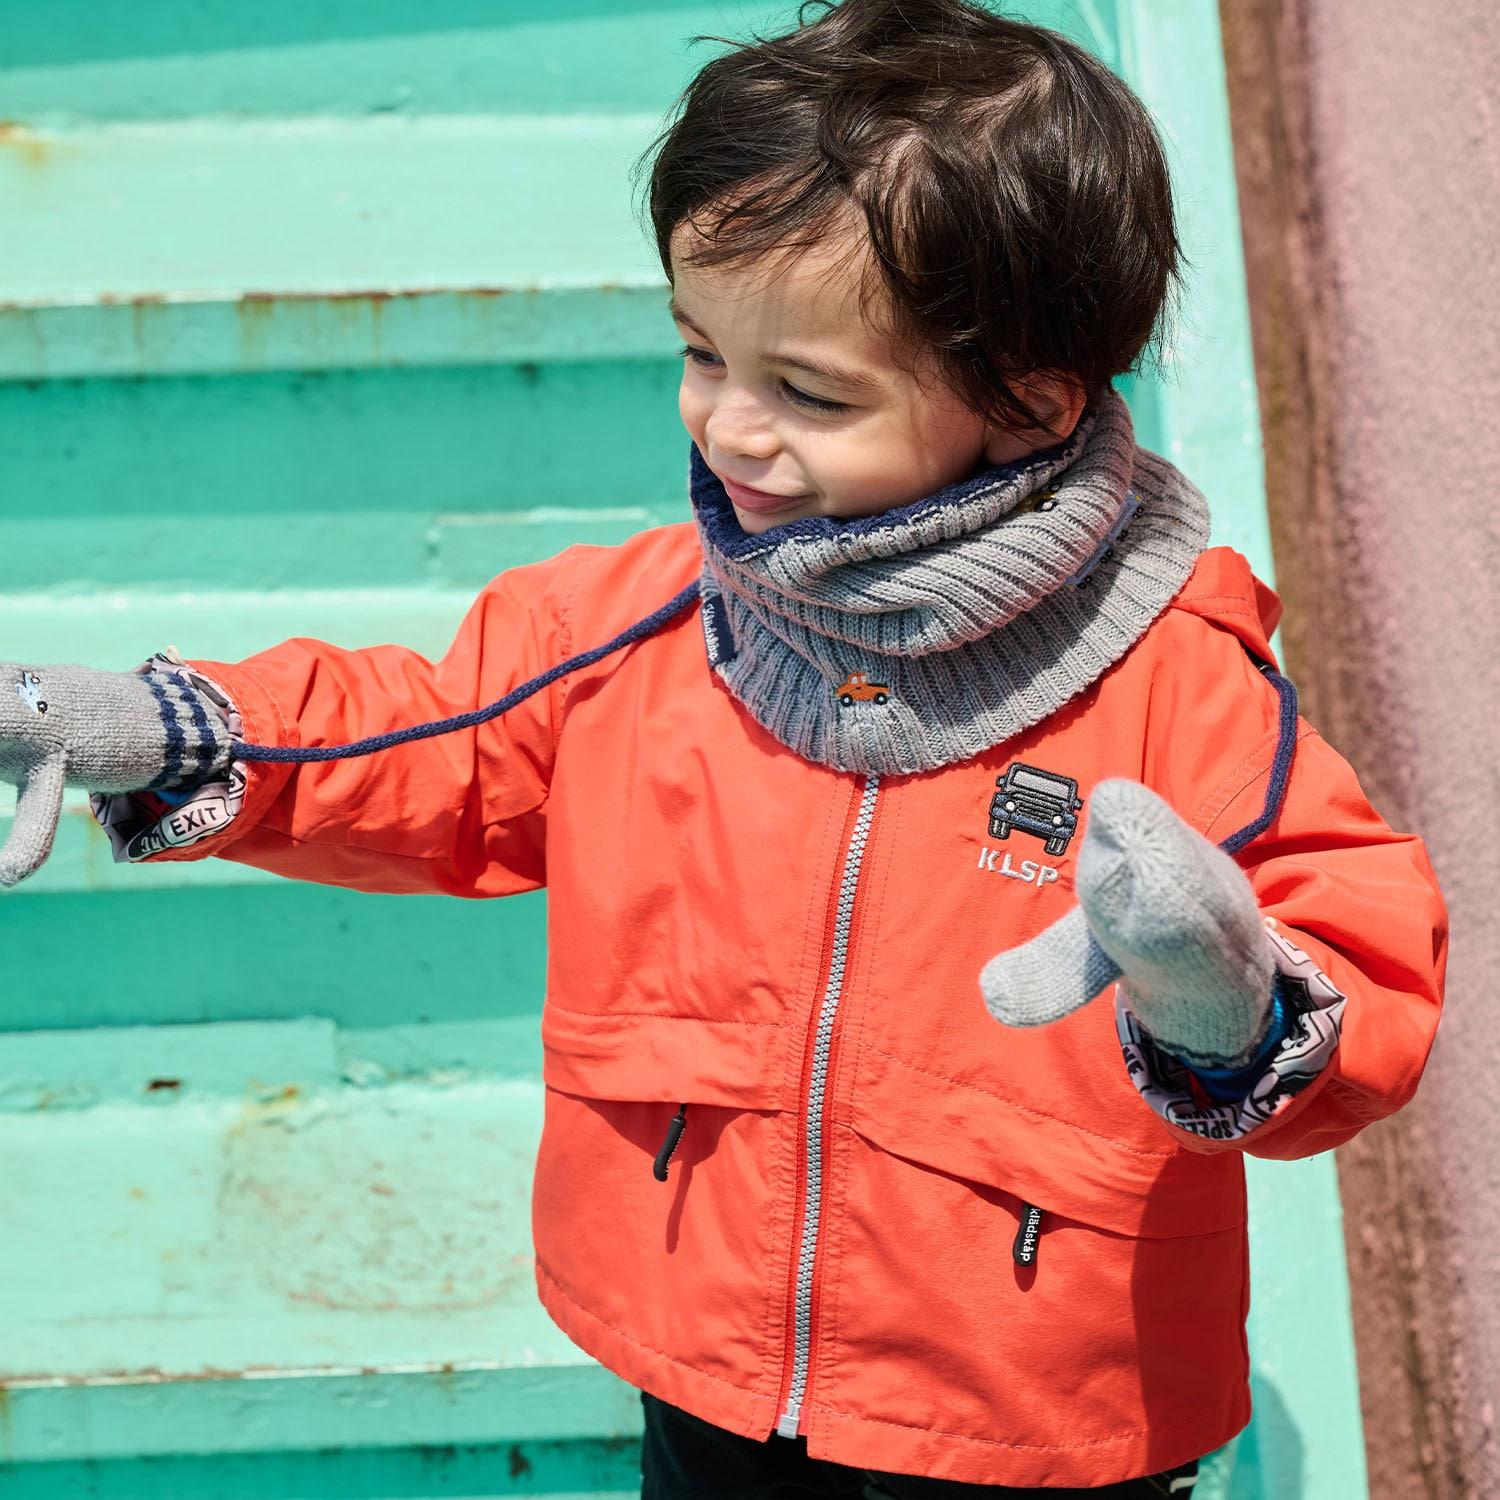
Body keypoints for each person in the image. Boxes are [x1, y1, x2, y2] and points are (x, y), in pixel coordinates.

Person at [0, 1, 1446, 1495]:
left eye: (809, 391)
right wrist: (169, 730)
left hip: (1036, 1409)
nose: (732, 429)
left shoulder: (1181, 678)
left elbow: (1361, 946)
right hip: (707, 1356)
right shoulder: (641, 626)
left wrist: (1223, 1001)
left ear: (1028, 402)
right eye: (702, 354)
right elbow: (425, 739)